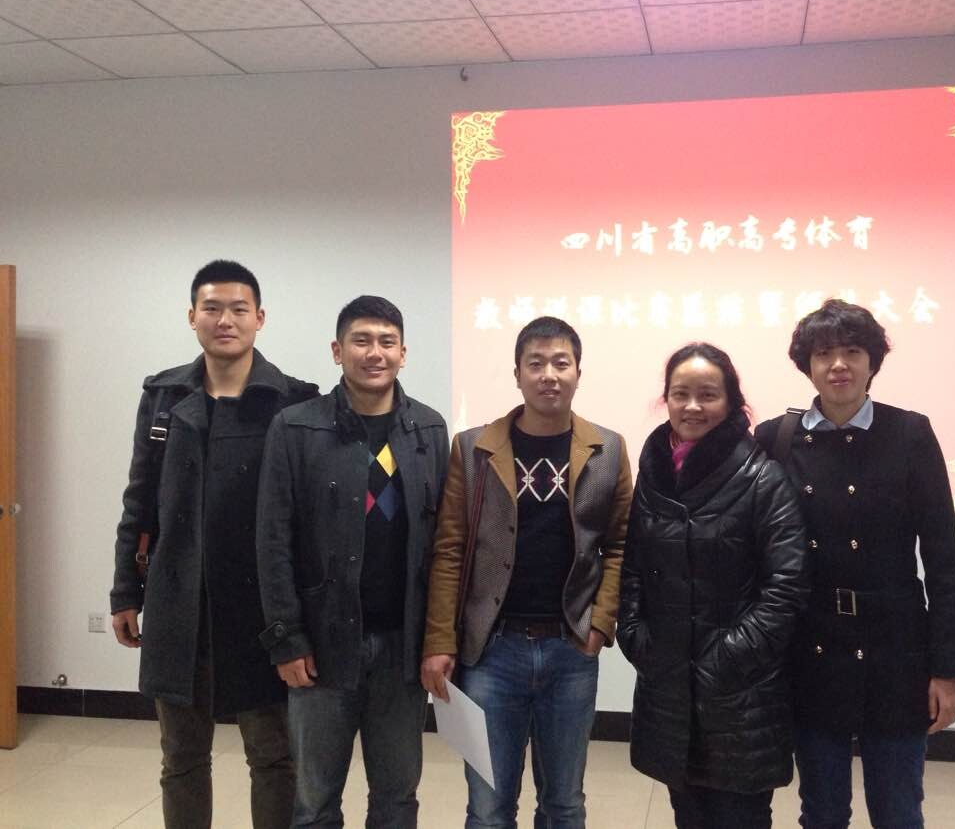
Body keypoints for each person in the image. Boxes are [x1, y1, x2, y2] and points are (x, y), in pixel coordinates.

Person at [110, 259, 318, 829]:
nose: (225, 320)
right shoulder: (163, 397)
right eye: (212, 308)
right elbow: (140, 501)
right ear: (192, 316)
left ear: (260, 318)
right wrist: (125, 592)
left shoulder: (294, 402)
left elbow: (307, 522)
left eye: (238, 309)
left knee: (274, 757)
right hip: (179, 605)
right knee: (180, 758)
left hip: (262, 611)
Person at [754, 299, 955, 829]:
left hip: (896, 652)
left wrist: (947, 670)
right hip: (812, 649)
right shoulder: (775, 439)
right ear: (806, 365)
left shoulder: (909, 434)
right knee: (822, 810)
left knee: (898, 809)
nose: (839, 365)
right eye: (824, 354)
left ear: (873, 361)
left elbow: (943, 559)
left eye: (852, 352)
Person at [420, 316, 633, 829]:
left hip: (569, 649)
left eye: (561, 363)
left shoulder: (608, 449)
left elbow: (621, 545)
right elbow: (450, 549)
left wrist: (600, 624)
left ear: (579, 372)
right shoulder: (473, 447)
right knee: (488, 807)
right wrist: (439, 640)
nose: (549, 375)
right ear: (517, 374)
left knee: (564, 804)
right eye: (535, 364)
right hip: (492, 651)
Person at [256, 295, 449, 828]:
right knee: (315, 802)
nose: (374, 353)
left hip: (401, 648)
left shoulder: (429, 430)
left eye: (387, 342)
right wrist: (286, 639)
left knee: (397, 797)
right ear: (337, 351)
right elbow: (272, 541)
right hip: (321, 647)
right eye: (361, 341)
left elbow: (443, 544)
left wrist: (439, 638)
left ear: (403, 353)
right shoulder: (296, 428)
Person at [616, 343, 810, 829]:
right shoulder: (654, 476)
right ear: (665, 400)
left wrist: (725, 660)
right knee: (689, 815)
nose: (692, 406)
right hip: (669, 687)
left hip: (740, 694)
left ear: (731, 403)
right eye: (680, 394)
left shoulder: (763, 478)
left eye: (708, 395)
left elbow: (786, 588)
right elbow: (633, 566)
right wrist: (635, 636)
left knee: (740, 817)